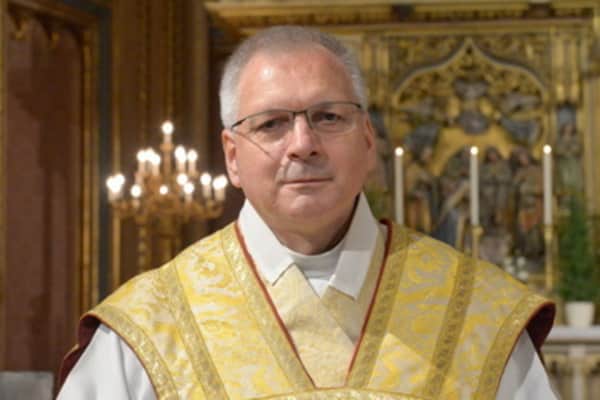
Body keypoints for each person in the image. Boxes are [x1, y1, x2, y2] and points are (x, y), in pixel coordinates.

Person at [57, 26, 557, 399]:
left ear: (368, 139)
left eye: (328, 117)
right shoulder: (150, 326)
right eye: (271, 124)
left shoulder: (476, 312)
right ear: (232, 157)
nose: (303, 144)